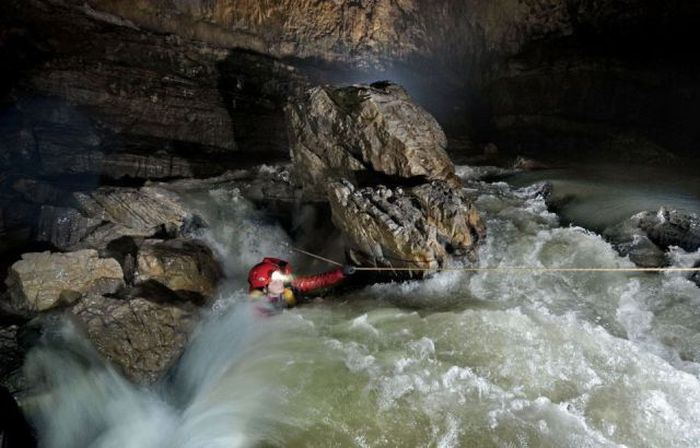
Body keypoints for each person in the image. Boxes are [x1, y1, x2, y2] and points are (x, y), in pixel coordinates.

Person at [247, 257, 354, 315]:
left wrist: (340, 273)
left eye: (279, 279)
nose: (279, 283)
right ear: (265, 288)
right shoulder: (260, 307)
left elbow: (316, 281)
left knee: (321, 299)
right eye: (274, 282)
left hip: (296, 303)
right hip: (289, 312)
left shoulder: (288, 287)